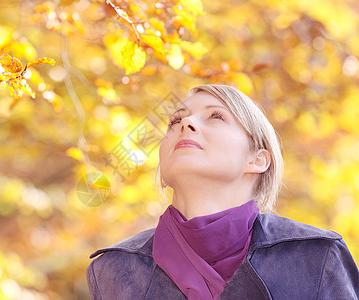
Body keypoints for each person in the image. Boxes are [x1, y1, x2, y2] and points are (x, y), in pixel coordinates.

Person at [86, 84, 359, 299]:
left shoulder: (316, 257)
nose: (186, 124)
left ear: (257, 159)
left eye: (215, 116)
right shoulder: (114, 269)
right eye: (175, 120)